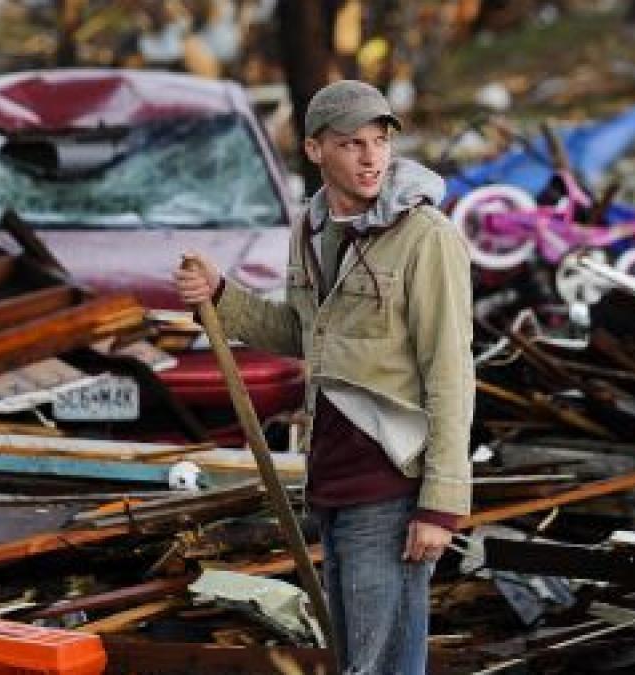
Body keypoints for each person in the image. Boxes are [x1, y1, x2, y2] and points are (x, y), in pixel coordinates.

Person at [174, 80, 473, 674]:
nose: (371, 158)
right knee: (366, 659)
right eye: (352, 144)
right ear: (315, 150)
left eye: (379, 141)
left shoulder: (425, 237)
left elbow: (451, 372)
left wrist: (441, 504)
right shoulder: (311, 230)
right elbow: (308, 334)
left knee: (375, 665)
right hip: (331, 479)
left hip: (389, 482)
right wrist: (222, 296)